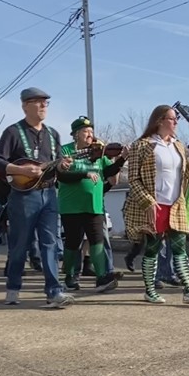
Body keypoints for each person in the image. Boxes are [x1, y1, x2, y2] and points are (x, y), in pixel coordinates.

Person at [0, 88, 74, 307]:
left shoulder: (53, 133)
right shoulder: (13, 132)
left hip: (49, 193)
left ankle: (54, 292)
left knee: (50, 243)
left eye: (46, 102)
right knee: (20, 244)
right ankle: (13, 287)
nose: (43, 106)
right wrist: (19, 171)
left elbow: (57, 165)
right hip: (23, 196)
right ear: (25, 105)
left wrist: (64, 166)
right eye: (38, 102)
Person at [123, 105, 189, 304]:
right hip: (154, 206)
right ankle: (150, 290)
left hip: (175, 205)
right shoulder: (142, 145)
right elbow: (133, 180)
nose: (176, 122)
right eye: (172, 118)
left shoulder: (178, 146)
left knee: (180, 249)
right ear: (159, 121)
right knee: (152, 249)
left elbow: (186, 177)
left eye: (176, 118)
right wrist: (148, 202)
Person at [58, 116, 125, 293]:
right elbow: (61, 176)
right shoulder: (65, 150)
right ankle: (70, 277)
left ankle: (102, 278)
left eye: (91, 132)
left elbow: (108, 172)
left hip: (94, 204)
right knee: (73, 242)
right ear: (76, 134)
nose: (90, 135)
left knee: (97, 240)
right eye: (86, 131)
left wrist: (122, 159)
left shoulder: (98, 152)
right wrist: (84, 174)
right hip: (71, 205)